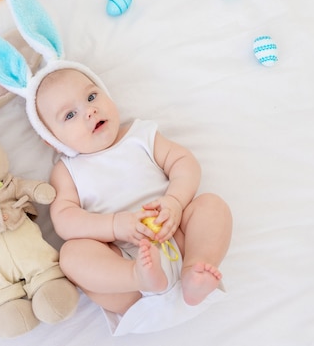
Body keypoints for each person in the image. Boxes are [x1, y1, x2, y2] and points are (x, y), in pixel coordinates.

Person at [32, 67, 233, 319]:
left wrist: (175, 202)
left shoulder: (140, 135)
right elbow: (64, 219)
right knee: (72, 256)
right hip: (125, 266)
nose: (89, 111)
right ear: (52, 139)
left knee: (211, 206)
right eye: (70, 115)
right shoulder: (67, 170)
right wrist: (114, 226)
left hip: (176, 236)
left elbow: (183, 161)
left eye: (92, 97)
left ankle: (196, 269)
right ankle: (140, 277)